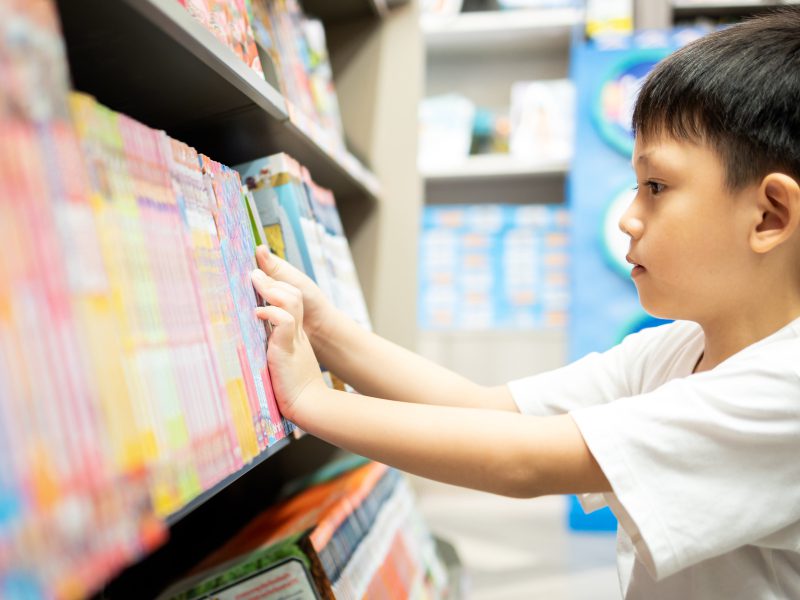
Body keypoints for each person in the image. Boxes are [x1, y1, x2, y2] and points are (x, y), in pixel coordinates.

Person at [250, 9, 800, 599]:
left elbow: (524, 462)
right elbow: (485, 411)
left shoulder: (785, 387)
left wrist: (311, 400)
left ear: (769, 216)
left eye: (656, 187)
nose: (627, 216)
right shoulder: (676, 348)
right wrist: (326, 330)